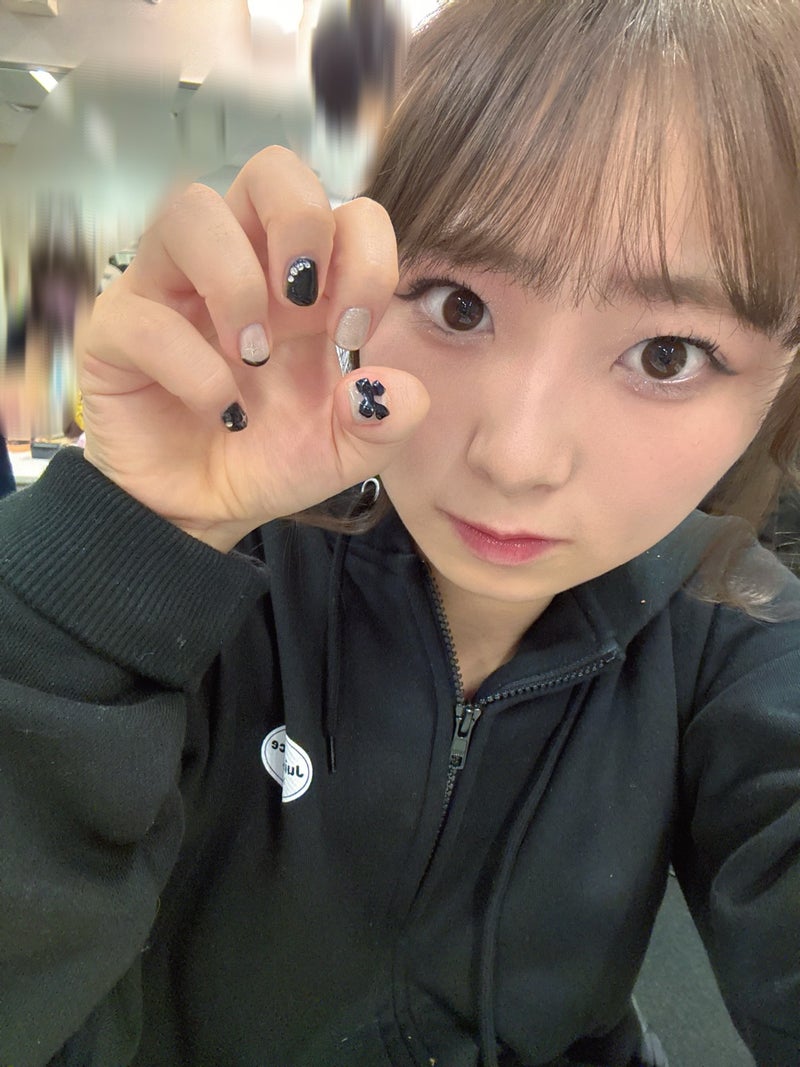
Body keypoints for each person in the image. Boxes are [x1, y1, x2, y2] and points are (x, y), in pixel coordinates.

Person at [1, 2, 799, 1065]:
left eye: (667, 354)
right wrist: (108, 565)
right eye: (457, 304)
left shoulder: (735, 628)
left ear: (779, 378)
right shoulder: (222, 574)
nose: (516, 458)